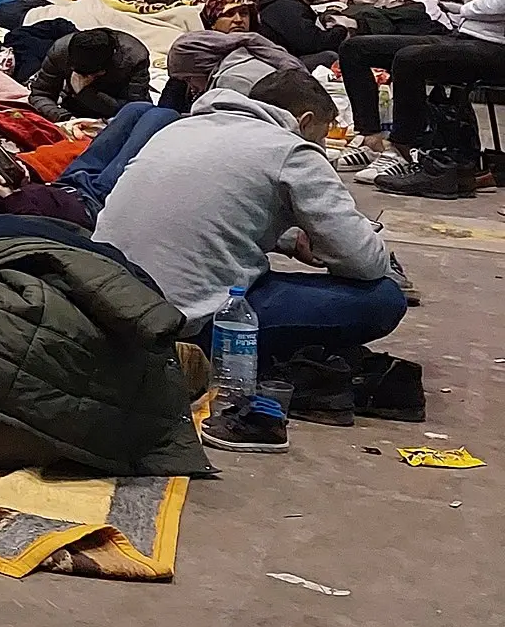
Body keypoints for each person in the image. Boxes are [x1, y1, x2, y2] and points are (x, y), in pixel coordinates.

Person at [94, 69, 417, 438]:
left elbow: (203, 213)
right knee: (384, 296)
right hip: (188, 327)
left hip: (110, 304)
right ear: (306, 120)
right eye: (325, 132)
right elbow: (365, 261)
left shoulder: (178, 129)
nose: (325, 145)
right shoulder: (291, 150)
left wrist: (288, 239)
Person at [332, 0, 505, 196]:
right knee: (355, 49)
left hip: (496, 49)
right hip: (465, 37)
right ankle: (371, 137)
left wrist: (463, 10)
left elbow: (496, 4)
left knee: (411, 58)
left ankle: (401, 147)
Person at [23, 26, 153, 122]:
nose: (86, 78)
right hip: (73, 107)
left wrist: (84, 92)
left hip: (115, 111)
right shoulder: (60, 51)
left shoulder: (135, 57)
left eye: (92, 76)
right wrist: (65, 118)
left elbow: (133, 109)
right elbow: (40, 94)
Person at [254, 0, 347, 63]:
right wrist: (342, 30)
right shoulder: (287, 8)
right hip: (282, 63)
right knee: (329, 57)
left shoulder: (286, 4)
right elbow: (313, 44)